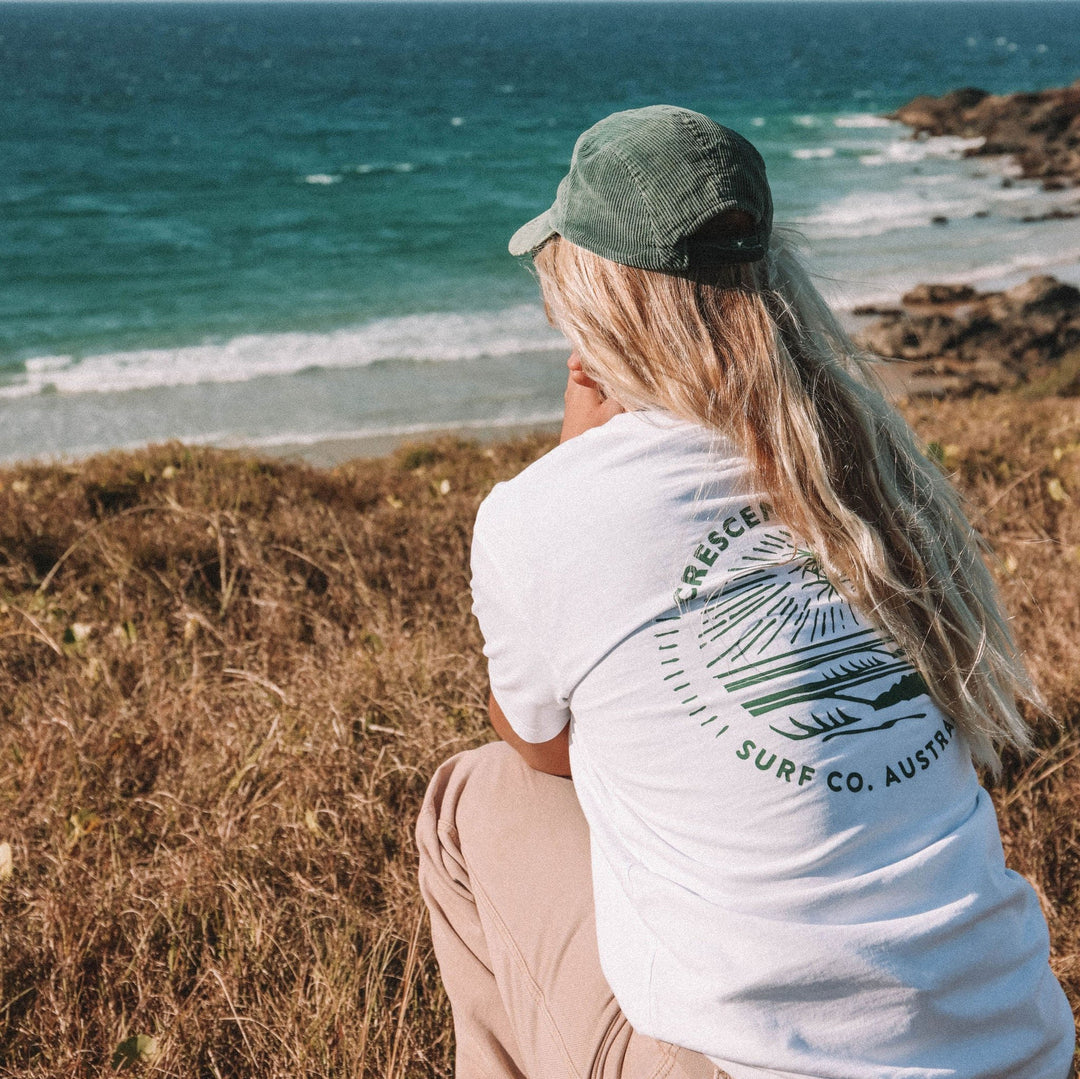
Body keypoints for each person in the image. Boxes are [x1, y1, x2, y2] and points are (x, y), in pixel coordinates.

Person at [415, 105, 1075, 1079]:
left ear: (590, 300)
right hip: (1023, 1044)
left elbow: (542, 746)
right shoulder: (875, 474)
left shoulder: (539, 514)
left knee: (467, 792)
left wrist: (572, 457)